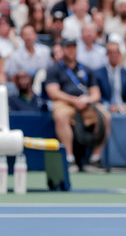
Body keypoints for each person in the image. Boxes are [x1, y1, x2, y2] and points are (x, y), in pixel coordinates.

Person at [44, 38, 111, 171]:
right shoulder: (54, 69)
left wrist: (87, 100)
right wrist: (73, 100)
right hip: (65, 102)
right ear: (62, 49)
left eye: (73, 47)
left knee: (106, 117)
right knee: (61, 117)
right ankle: (69, 159)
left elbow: (96, 93)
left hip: (85, 103)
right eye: (68, 47)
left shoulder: (86, 69)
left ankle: (95, 159)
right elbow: (53, 92)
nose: (71, 50)